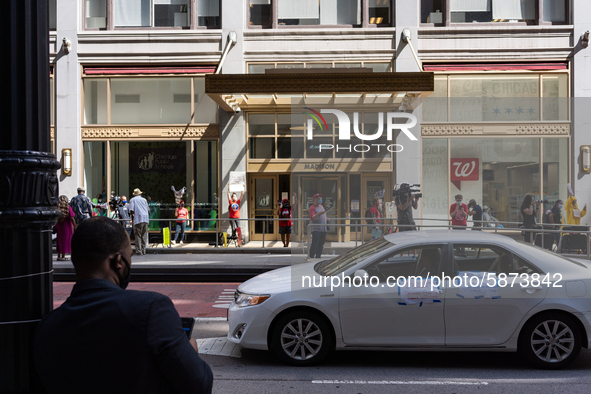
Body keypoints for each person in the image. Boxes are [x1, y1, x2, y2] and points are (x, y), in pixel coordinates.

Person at [33, 217, 213, 394]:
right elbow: (200, 384)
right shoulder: (151, 309)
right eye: (130, 257)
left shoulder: (47, 327)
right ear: (118, 262)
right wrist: (190, 351)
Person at [54, 195, 76, 261]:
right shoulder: (68, 208)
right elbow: (72, 218)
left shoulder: (57, 208)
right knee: (65, 241)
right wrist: (75, 226)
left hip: (59, 226)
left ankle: (58, 256)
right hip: (66, 227)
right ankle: (63, 256)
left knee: (59, 241)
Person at [128, 188, 149, 255]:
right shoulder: (144, 200)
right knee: (144, 235)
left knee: (138, 235)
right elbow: (147, 209)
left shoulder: (132, 200)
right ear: (140, 193)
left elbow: (131, 210)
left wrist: (132, 219)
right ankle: (144, 250)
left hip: (138, 219)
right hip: (145, 219)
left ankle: (139, 251)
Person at [308, 193, 328, 258]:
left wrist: (327, 218)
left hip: (323, 228)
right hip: (316, 229)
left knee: (321, 243)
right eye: (318, 198)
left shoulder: (321, 206)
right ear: (314, 199)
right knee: (315, 243)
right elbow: (313, 218)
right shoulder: (312, 208)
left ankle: (318, 256)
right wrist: (319, 213)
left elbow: (324, 215)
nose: (320, 199)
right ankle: (311, 256)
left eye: (320, 198)